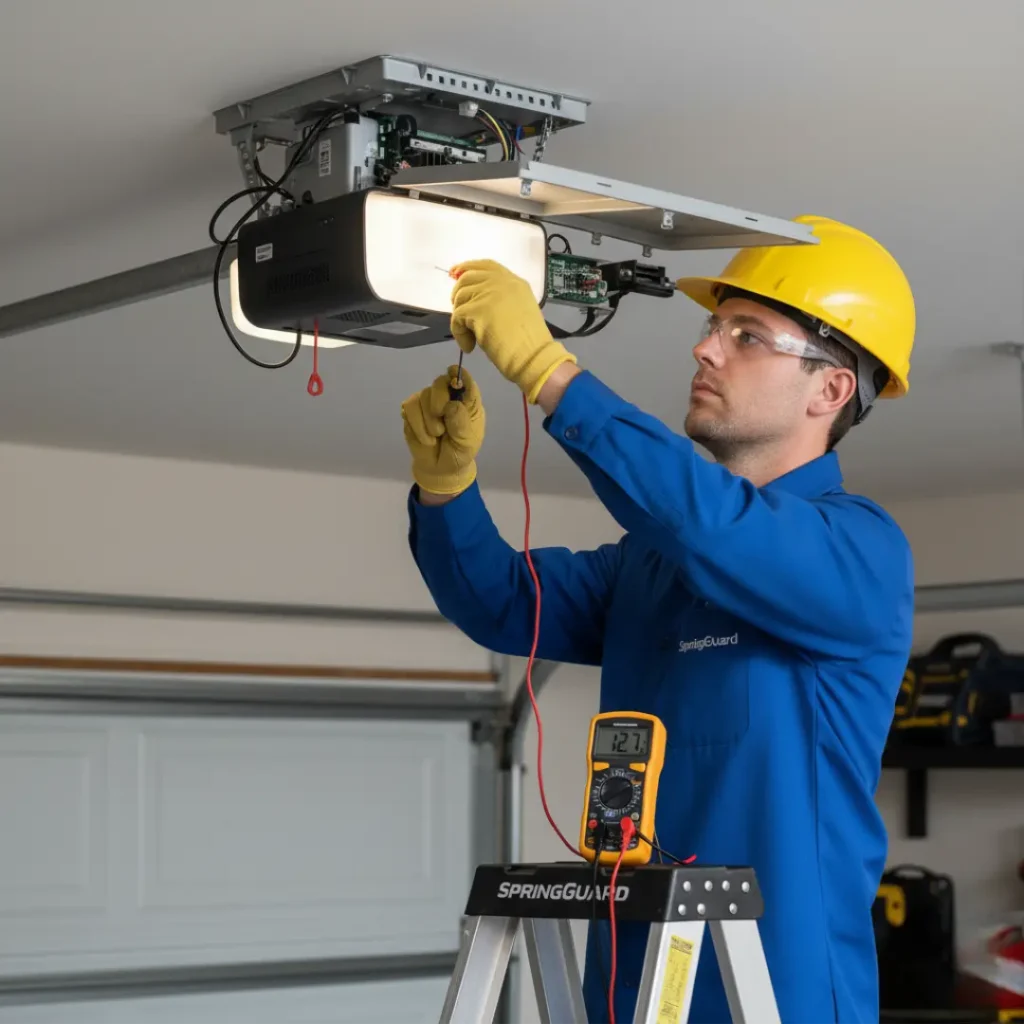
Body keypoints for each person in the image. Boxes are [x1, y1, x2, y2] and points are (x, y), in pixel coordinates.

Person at [401, 214, 916, 1024]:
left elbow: (713, 527)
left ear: (831, 388)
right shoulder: (652, 563)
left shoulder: (858, 552)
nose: (705, 349)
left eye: (748, 335)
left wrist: (548, 370)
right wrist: (445, 488)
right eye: (714, 327)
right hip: (635, 986)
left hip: (779, 992)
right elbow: (500, 600)